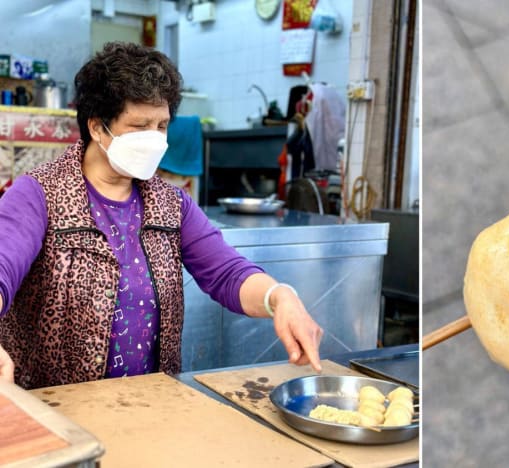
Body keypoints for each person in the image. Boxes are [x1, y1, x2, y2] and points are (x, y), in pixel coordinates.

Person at [0, 42, 323, 389]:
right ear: (96, 127)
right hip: (55, 410)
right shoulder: (39, 194)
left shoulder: (170, 205)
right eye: (139, 126)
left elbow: (227, 273)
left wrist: (278, 296)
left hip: (149, 405)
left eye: (162, 125)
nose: (153, 139)